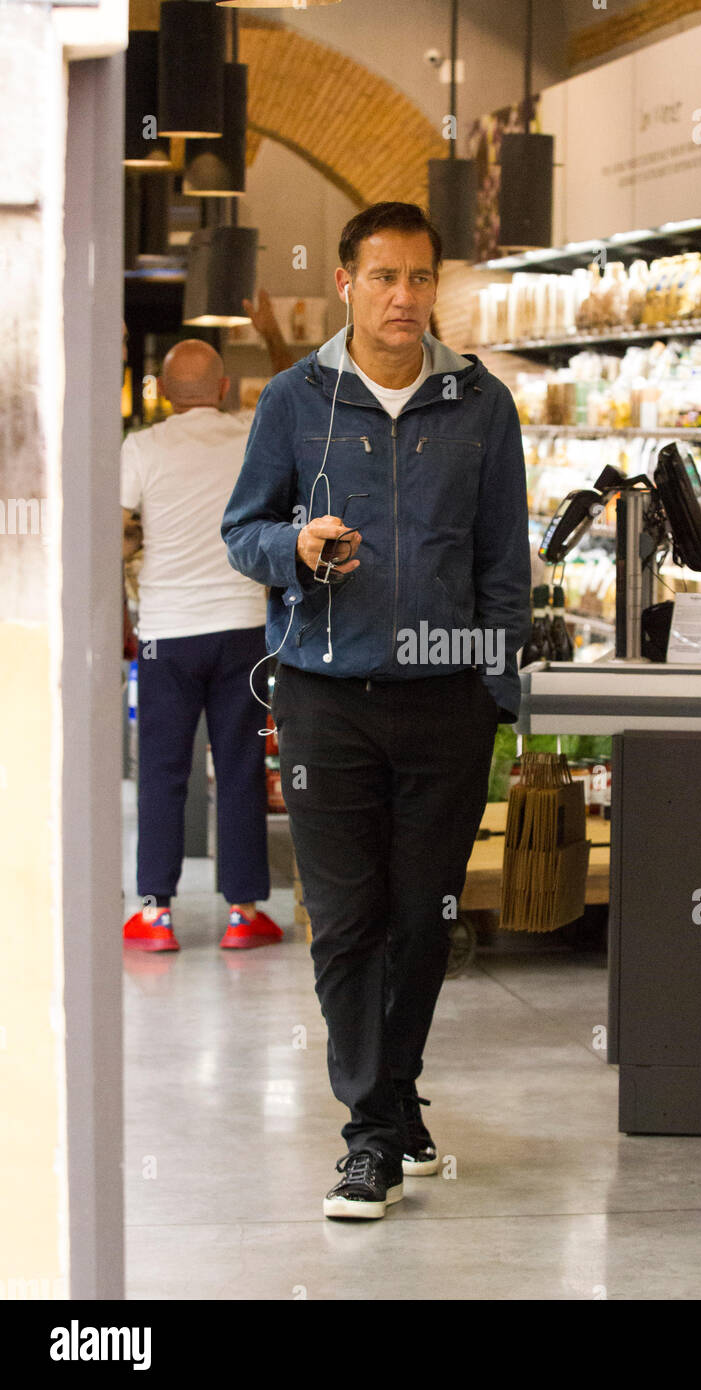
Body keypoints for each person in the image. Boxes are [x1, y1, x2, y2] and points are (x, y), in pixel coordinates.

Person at [223, 202, 531, 1218]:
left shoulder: (480, 404)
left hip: (447, 701)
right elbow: (244, 528)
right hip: (324, 696)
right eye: (384, 276)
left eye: (419, 277)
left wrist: (495, 685)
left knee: (425, 920)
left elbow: (502, 560)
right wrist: (294, 548)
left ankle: (393, 1096)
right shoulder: (293, 400)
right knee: (348, 919)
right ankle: (371, 1133)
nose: (404, 296)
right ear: (346, 284)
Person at [121, 292, 292, 953]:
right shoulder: (252, 432)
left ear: (162, 393)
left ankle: (156, 914)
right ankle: (243, 913)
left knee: (164, 770)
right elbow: (292, 388)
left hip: (166, 631)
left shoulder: (141, 447)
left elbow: (114, 535)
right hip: (245, 629)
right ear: (222, 388)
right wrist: (272, 334)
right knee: (242, 767)